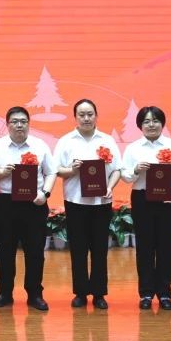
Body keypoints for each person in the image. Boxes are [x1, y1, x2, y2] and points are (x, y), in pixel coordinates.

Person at [121, 105, 171, 311]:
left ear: (162, 123)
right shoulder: (133, 148)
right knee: (144, 247)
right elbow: (125, 176)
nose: (151, 125)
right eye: (146, 121)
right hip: (142, 199)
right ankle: (146, 293)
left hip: (167, 201)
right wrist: (135, 170)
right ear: (140, 125)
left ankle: (165, 293)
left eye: (155, 121)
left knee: (165, 247)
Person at [0, 106, 56, 311]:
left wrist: (45, 193)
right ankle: (4, 292)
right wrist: (2, 172)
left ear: (28, 124)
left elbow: (51, 172)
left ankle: (35, 294)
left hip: (34, 204)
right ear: (7, 124)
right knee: (5, 250)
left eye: (23, 121)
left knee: (35, 251)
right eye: (15, 121)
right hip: (5, 203)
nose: (19, 125)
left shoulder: (40, 145)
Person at [54, 98, 122, 310]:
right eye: (81, 114)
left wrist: (110, 187)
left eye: (90, 114)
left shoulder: (107, 140)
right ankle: (81, 292)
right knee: (78, 249)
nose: (86, 118)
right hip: (75, 202)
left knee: (100, 249)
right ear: (75, 117)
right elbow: (57, 170)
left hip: (101, 202)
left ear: (96, 116)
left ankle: (99, 293)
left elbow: (117, 169)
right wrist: (72, 170)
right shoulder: (66, 141)